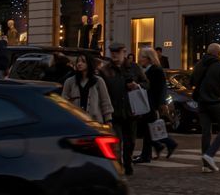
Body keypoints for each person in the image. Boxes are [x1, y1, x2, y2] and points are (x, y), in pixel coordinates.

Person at [188, 42, 220, 171]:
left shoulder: (199, 65)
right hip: (216, 102)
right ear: (218, 53)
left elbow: (191, 82)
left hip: (202, 103)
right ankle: (210, 154)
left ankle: (206, 165)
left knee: (206, 132)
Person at [103, 46, 137, 176]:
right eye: (112, 52)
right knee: (116, 141)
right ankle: (118, 167)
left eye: (117, 52)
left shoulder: (134, 68)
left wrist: (137, 85)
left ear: (124, 53)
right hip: (114, 111)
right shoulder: (105, 70)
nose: (114, 55)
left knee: (130, 142)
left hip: (131, 111)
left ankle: (128, 162)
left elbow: (146, 83)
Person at [139, 47, 177, 162]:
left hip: (153, 103)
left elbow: (161, 89)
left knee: (148, 128)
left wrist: (161, 104)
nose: (140, 59)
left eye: (142, 57)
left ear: (149, 58)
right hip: (148, 103)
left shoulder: (156, 70)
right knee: (149, 128)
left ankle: (151, 152)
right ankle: (161, 145)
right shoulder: (148, 69)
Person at [63, 53, 113, 125]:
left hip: (95, 121)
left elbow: (105, 101)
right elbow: (64, 101)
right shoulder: (69, 82)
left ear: (89, 63)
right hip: (76, 121)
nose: (79, 64)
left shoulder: (98, 81)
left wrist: (108, 120)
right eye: (78, 61)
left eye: (83, 61)